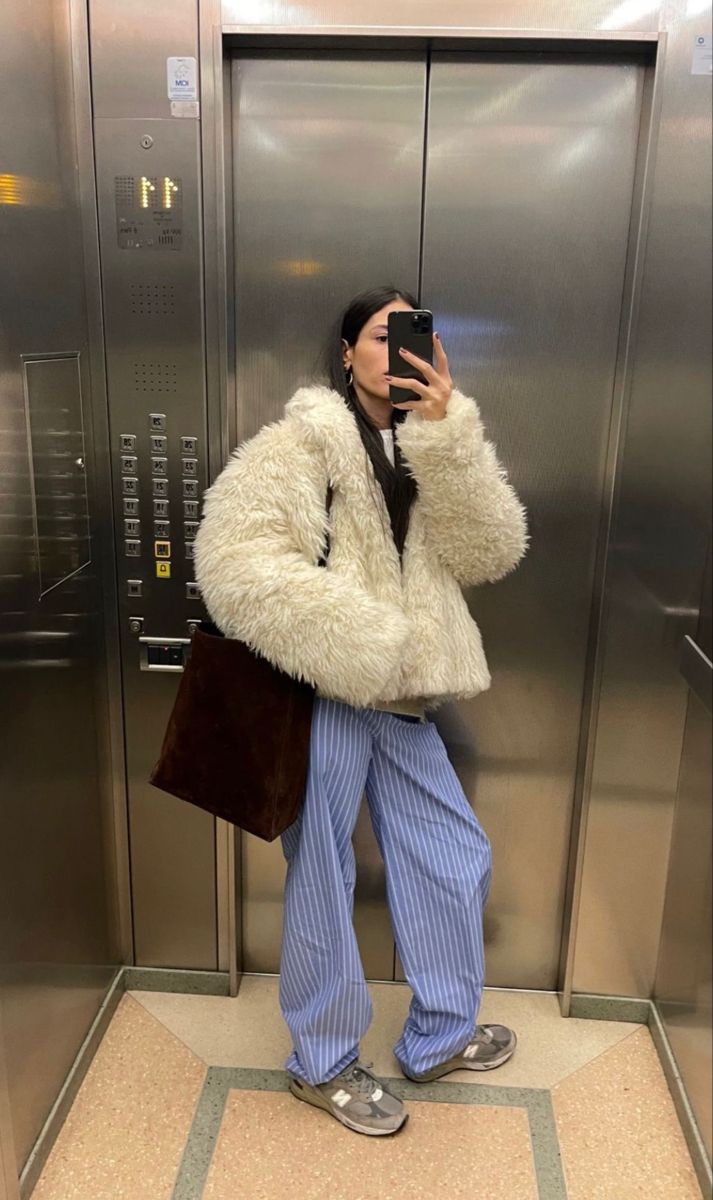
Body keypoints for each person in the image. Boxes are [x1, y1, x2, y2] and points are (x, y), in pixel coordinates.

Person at [193, 286, 530, 1137]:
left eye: (414, 334)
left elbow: (490, 552)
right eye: (382, 335)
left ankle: (439, 1035)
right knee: (321, 876)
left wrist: (448, 435)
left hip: (405, 701)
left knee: (454, 859)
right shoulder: (302, 442)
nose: (399, 350)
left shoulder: (431, 441)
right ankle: (322, 1061)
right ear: (347, 354)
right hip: (331, 698)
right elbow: (231, 561)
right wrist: (360, 640)